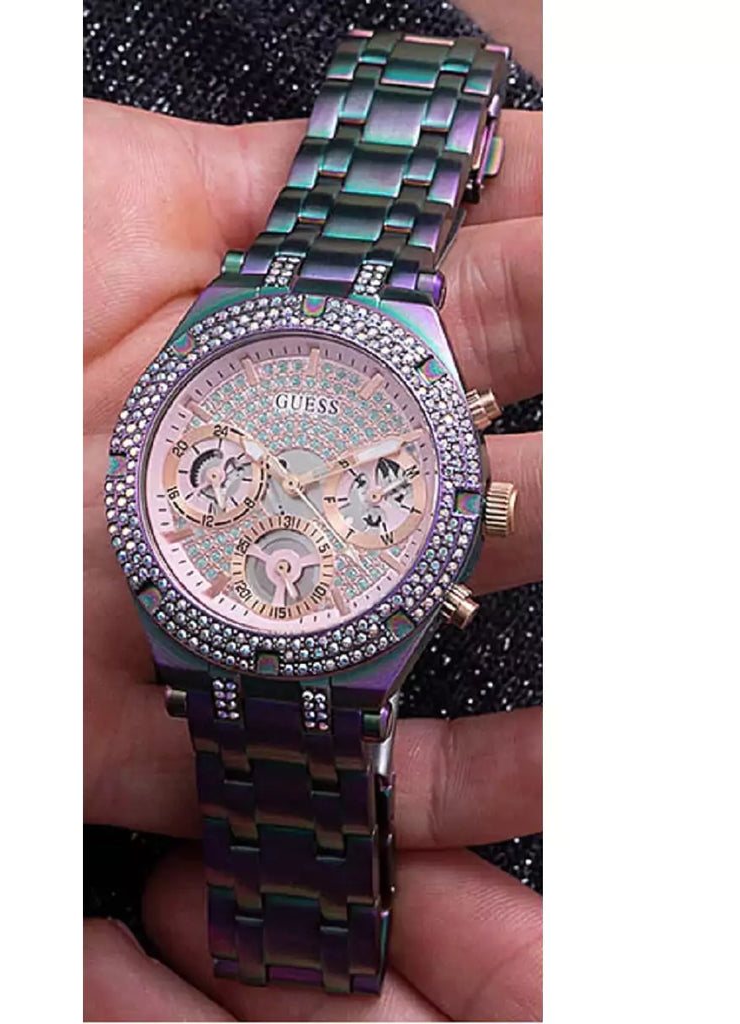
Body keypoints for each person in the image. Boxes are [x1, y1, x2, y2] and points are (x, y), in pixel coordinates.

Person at [82, 10, 543, 1018]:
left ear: (473, 507)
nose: (294, 484)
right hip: (229, 599)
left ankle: (308, 941)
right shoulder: (210, 344)